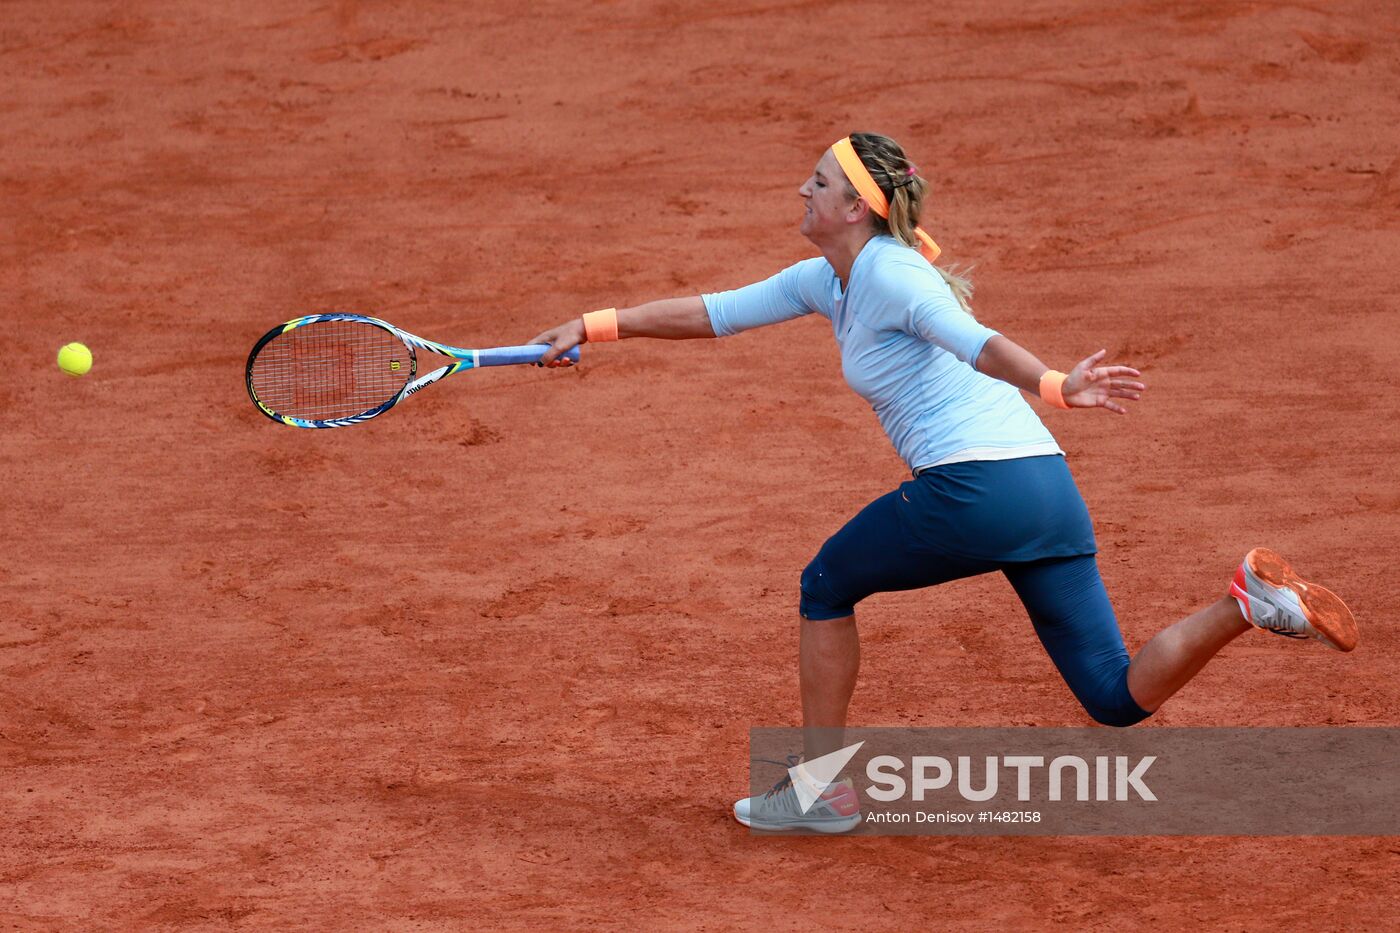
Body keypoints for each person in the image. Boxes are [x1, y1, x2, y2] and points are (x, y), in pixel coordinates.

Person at [527, 132, 1359, 833]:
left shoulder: (893, 275)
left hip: (976, 485)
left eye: (818, 182)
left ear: (857, 206)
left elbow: (979, 341)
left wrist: (1057, 383)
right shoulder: (831, 278)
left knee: (825, 581)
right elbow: (716, 311)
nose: (801, 189)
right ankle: (1244, 602)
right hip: (1042, 486)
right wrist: (596, 327)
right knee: (1113, 696)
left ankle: (822, 792)